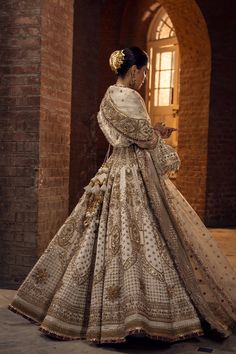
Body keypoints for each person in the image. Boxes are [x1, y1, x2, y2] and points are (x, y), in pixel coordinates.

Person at [8, 46, 236, 344]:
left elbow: (126, 135)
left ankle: (81, 310)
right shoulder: (131, 97)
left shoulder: (107, 97)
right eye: (143, 71)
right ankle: (143, 316)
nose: (144, 77)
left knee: (98, 236)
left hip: (113, 171)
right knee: (144, 235)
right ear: (133, 70)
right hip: (134, 174)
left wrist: (151, 131)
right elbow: (142, 138)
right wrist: (159, 136)